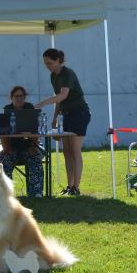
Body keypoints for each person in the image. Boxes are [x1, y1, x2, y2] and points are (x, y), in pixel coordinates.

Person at [35, 48, 91, 196]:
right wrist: (54, 118)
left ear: (59, 61)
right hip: (65, 115)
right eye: (45, 64)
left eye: (50, 63)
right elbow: (59, 100)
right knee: (66, 152)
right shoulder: (53, 76)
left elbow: (63, 95)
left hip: (79, 114)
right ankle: (69, 185)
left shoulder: (68, 74)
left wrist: (44, 102)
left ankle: (76, 188)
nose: (48, 66)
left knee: (75, 150)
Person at [0, 86, 44, 197]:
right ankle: (5, 194)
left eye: (21, 96)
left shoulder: (30, 109)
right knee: (4, 159)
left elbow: (37, 130)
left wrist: (33, 146)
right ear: (11, 98)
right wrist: (6, 148)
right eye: (16, 96)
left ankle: (36, 193)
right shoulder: (7, 109)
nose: (19, 98)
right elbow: (2, 133)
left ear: (25, 97)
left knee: (35, 158)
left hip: (28, 145)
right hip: (8, 144)